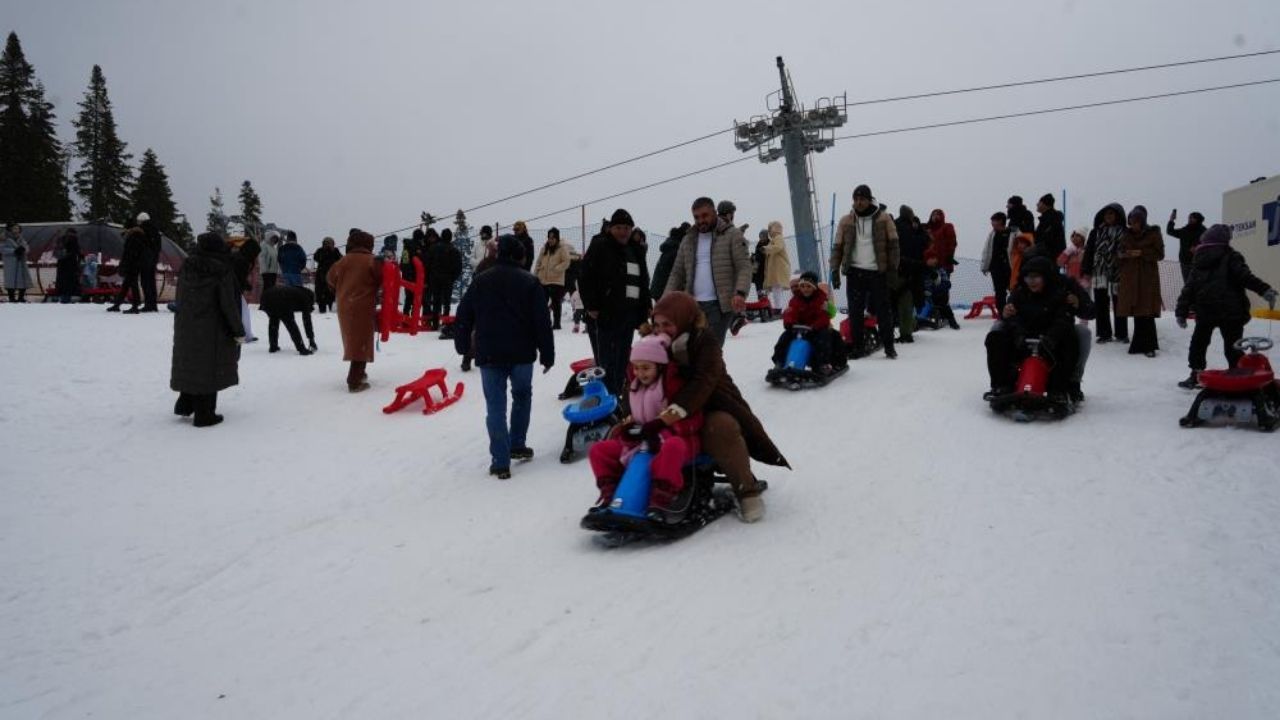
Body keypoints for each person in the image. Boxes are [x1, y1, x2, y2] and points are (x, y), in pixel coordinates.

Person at [649, 292, 789, 523]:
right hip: (664, 411)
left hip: (710, 405)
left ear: (684, 320)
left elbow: (703, 382)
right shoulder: (651, 345)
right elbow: (635, 378)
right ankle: (635, 492)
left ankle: (746, 491)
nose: (660, 330)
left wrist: (672, 413)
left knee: (720, 428)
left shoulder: (704, 342)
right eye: (657, 324)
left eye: (667, 324)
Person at [453, 235, 555, 479]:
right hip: (521, 353)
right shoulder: (530, 282)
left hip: (489, 352)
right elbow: (542, 322)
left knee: (495, 407)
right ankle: (517, 444)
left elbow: (464, 314)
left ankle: (500, 460)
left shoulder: (481, 281)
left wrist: (462, 344)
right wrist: (547, 354)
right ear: (520, 256)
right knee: (522, 396)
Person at [588, 332, 701, 511]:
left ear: (659, 366)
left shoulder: (672, 386)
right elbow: (634, 418)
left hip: (677, 441)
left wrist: (662, 435)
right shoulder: (634, 388)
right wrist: (627, 429)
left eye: (646, 368)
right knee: (599, 450)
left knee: (673, 446)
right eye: (636, 368)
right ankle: (612, 494)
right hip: (641, 443)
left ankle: (661, 500)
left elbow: (692, 418)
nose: (640, 373)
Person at [1174, 223, 1277, 387]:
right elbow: (1245, 277)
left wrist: (1181, 311)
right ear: (1225, 241)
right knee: (1233, 345)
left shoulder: (1199, 261)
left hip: (1205, 309)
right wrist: (1264, 290)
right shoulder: (1231, 256)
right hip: (1231, 311)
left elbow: (1189, 289)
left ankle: (1196, 372)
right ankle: (1237, 373)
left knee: (1198, 343)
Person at [170, 233, 245, 428]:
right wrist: (238, 329)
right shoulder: (221, 270)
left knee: (190, 362)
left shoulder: (188, 265)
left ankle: (185, 403)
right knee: (210, 367)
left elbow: (181, 295)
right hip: (213, 326)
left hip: (187, 323)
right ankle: (205, 414)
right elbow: (228, 303)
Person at [984, 255, 1079, 400]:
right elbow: (1012, 318)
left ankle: (1060, 388)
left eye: (1036, 278)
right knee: (996, 336)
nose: (1032, 282)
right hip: (1022, 340)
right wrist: (1019, 336)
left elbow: (1063, 319)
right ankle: (1001, 385)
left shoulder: (1059, 295)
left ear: (1045, 278)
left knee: (1072, 337)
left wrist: (1051, 338)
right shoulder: (1018, 294)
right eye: (1029, 278)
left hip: (1050, 343)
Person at [580, 209, 653, 396]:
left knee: (622, 359)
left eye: (627, 228)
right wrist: (591, 305)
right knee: (606, 361)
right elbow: (585, 275)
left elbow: (643, 282)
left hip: (629, 316)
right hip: (606, 315)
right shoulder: (600, 246)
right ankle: (605, 397)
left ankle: (616, 395)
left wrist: (645, 310)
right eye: (619, 227)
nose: (623, 232)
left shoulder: (636, 250)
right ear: (611, 228)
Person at [664, 197, 751, 344]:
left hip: (719, 305)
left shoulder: (732, 234)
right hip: (692, 306)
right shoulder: (688, 239)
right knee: (690, 351)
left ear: (714, 213)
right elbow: (677, 273)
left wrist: (740, 292)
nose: (700, 220)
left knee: (711, 352)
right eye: (696, 217)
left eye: (705, 215)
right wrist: (665, 301)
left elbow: (743, 266)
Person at [830, 185, 900, 358]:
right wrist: (835, 269)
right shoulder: (846, 221)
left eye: (862, 199)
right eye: (856, 199)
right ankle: (858, 347)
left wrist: (892, 270)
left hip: (878, 272)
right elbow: (837, 247)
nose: (858, 202)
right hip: (854, 272)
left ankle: (889, 346)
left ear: (869, 199)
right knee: (855, 312)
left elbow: (894, 246)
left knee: (884, 311)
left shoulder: (883, 219)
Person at [326, 230, 381, 392]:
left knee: (354, 340)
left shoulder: (342, 261)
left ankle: (361, 372)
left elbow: (330, 279)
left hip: (345, 306)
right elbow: (382, 278)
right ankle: (354, 380)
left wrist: (342, 289)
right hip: (363, 306)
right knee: (361, 342)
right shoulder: (371, 261)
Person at [1115, 205, 1164, 357]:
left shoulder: (1154, 233)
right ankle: (1137, 344)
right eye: (1131, 221)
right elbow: (1118, 253)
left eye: (1135, 222)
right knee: (1136, 310)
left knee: (1147, 311)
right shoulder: (1126, 235)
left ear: (1142, 221)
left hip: (1147, 278)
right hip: (1130, 277)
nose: (1132, 225)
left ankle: (1149, 346)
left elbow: (1160, 254)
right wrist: (1123, 255)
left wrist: (1142, 253)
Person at [771, 270, 838, 375]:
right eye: (802, 286)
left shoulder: (821, 300)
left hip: (816, 329)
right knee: (784, 338)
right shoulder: (795, 300)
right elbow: (790, 312)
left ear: (814, 287)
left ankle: (823, 364)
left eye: (808, 286)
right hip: (798, 329)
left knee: (822, 339)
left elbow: (824, 317)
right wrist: (790, 323)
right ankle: (779, 361)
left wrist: (814, 327)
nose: (805, 289)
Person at [1081, 203, 1128, 343]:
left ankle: (1121, 333)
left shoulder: (1124, 232)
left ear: (1118, 216)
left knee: (1120, 302)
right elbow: (1089, 251)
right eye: (1106, 214)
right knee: (1101, 301)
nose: (1108, 216)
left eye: (1111, 214)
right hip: (1099, 270)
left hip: (1118, 271)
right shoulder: (1096, 232)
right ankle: (1104, 333)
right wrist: (1086, 269)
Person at [893, 206, 930, 341]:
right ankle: (907, 332)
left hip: (896, 269)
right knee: (907, 303)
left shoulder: (895, 226)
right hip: (911, 270)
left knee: (898, 301)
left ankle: (904, 329)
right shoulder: (914, 230)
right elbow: (924, 244)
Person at [924, 208, 960, 330]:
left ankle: (947, 316)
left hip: (943, 263)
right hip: (928, 263)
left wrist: (949, 256)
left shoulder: (947, 227)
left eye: (938, 214)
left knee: (942, 291)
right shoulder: (927, 229)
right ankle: (931, 314)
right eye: (933, 214)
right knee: (929, 289)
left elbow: (952, 242)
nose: (935, 216)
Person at [260, 284, 318, 355]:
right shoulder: (306, 298)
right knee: (291, 324)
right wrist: (311, 339)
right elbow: (307, 321)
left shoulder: (298, 290)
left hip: (266, 297)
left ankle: (273, 346)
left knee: (273, 321)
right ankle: (301, 349)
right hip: (281, 299)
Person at [535, 228, 572, 330]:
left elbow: (566, 262)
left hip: (556, 280)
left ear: (557, 238)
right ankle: (545, 322)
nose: (550, 240)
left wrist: (556, 269)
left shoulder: (562, 248)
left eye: (553, 238)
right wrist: (536, 275)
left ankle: (556, 324)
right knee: (542, 302)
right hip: (543, 280)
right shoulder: (544, 248)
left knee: (556, 303)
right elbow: (538, 262)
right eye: (549, 237)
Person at [426, 227, 462, 328]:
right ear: (450, 238)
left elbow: (427, 264)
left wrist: (431, 276)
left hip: (435, 278)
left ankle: (435, 323)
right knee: (446, 301)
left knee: (436, 301)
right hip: (448, 279)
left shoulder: (433, 248)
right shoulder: (454, 250)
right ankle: (446, 322)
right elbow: (458, 267)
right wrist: (452, 277)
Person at [107, 220, 145, 313]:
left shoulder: (134, 236)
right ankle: (118, 304)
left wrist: (125, 264)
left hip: (132, 265)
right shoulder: (137, 236)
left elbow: (130, 253)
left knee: (132, 285)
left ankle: (134, 306)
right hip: (134, 264)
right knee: (127, 285)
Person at [980, 212, 1014, 312]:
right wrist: (985, 266)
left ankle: (1013, 312)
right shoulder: (992, 234)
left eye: (994, 221)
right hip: (996, 267)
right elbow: (987, 251)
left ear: (1000, 221)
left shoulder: (1012, 233)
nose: (992, 223)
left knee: (1013, 290)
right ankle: (1002, 313)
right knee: (999, 292)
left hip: (1009, 267)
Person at [230, 235, 261, 343]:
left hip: (231, 288)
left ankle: (244, 334)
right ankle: (243, 334)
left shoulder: (237, 257)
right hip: (233, 290)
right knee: (242, 313)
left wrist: (245, 285)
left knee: (241, 312)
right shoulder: (242, 261)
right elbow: (238, 277)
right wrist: (245, 285)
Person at [649, 223, 688, 301]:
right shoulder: (676, 250)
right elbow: (676, 272)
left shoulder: (670, 245)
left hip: (659, 288)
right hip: (665, 290)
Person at [762, 221, 793, 314]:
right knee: (776, 290)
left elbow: (778, 247)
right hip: (777, 270)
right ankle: (778, 307)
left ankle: (778, 308)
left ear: (774, 228)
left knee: (777, 290)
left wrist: (766, 249)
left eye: (770, 228)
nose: (769, 231)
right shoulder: (774, 240)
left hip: (779, 269)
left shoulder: (778, 238)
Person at [1167, 209, 1205, 283]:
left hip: (1199, 263)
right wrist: (1171, 220)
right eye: (1189, 218)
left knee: (1199, 286)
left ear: (1197, 219)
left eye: (1192, 218)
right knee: (1188, 285)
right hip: (1185, 262)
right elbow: (1170, 231)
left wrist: (1198, 248)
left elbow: (1209, 244)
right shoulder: (1185, 231)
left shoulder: (1204, 232)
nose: (1189, 219)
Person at [137, 212, 162, 312]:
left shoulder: (142, 230)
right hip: (153, 260)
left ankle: (148, 304)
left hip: (145, 260)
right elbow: (158, 247)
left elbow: (140, 246)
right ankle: (153, 304)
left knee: (145, 282)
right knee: (152, 282)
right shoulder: (156, 231)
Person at [2, 222, 33, 303]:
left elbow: (26, 247)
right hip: (11, 263)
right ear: (10, 229)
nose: (17, 230)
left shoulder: (21, 238)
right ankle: (11, 297)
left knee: (22, 279)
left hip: (21, 262)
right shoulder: (4, 239)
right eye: (15, 228)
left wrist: (23, 250)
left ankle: (21, 297)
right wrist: (14, 251)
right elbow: (2, 249)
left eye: (18, 228)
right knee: (10, 280)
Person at [312, 237, 342, 313]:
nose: (328, 245)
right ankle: (323, 309)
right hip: (322, 275)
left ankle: (329, 307)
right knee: (321, 292)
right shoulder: (320, 251)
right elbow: (316, 257)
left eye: (329, 243)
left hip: (330, 275)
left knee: (329, 293)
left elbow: (340, 259)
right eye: (326, 243)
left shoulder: (335, 251)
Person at [1034, 193, 1066, 259]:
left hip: (1048, 259)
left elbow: (1047, 241)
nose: (1037, 204)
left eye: (1039, 202)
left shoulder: (1052, 220)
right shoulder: (1046, 219)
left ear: (1046, 205)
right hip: (1045, 257)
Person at [54, 228, 82, 303]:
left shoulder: (61, 240)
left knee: (62, 282)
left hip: (62, 264)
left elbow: (56, 251)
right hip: (70, 264)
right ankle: (66, 297)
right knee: (69, 282)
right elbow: (77, 251)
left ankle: (61, 296)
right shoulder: (74, 240)